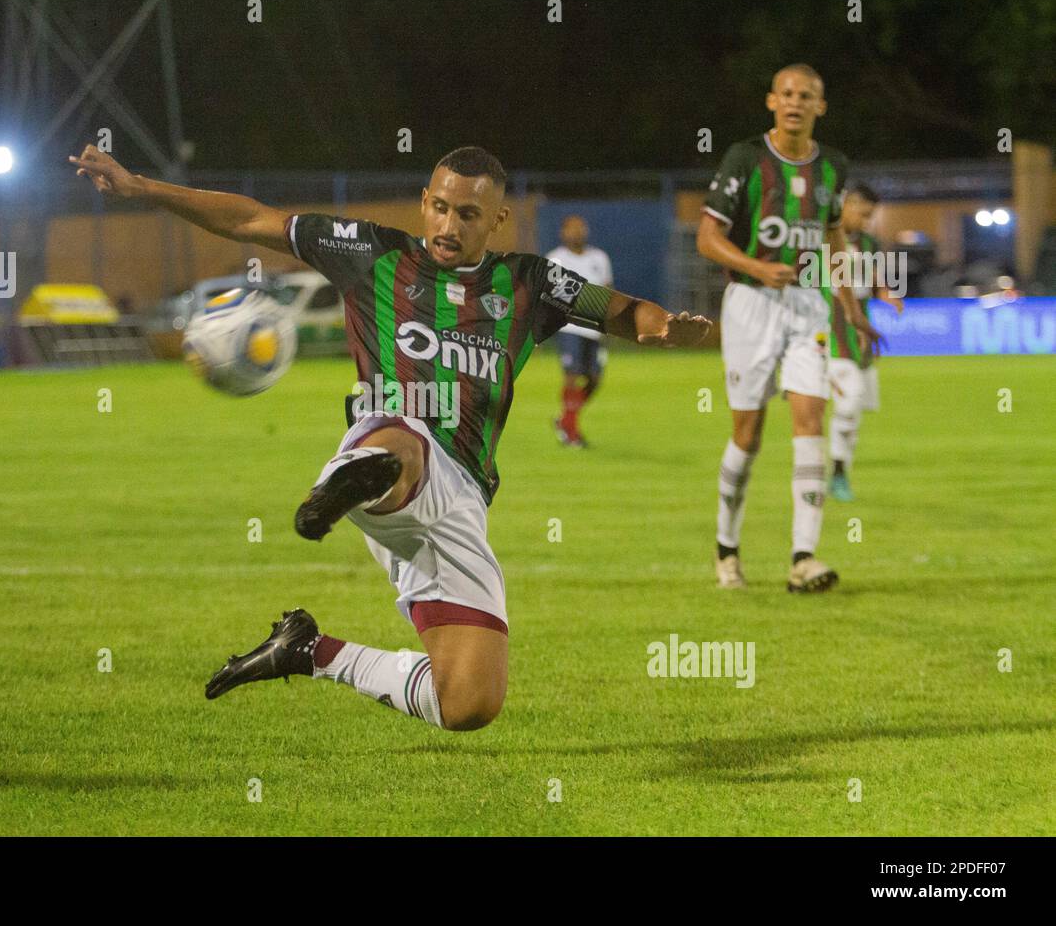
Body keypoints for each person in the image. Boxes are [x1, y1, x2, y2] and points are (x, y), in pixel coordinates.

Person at [72, 143, 710, 730]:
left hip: (462, 498)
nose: (447, 225)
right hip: (392, 440)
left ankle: (307, 649)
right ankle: (349, 479)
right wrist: (144, 188)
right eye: (438, 206)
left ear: (497, 221)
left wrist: (665, 327)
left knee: (467, 703)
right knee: (402, 442)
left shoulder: (528, 284)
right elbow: (250, 221)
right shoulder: (369, 253)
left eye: (467, 214)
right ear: (424, 202)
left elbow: (622, 310)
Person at [696, 63, 879, 593]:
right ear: (772, 101)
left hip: (807, 306)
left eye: (808, 96)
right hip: (752, 303)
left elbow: (832, 241)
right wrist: (756, 267)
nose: (796, 102)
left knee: (809, 422)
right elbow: (708, 238)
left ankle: (804, 557)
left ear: (821, 107)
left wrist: (850, 306)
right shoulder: (745, 158)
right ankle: (727, 549)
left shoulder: (834, 168)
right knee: (747, 435)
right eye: (788, 94)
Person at [826, 183, 902, 501]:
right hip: (830, 332)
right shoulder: (819, 239)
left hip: (861, 332)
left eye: (871, 216)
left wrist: (885, 292)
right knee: (851, 398)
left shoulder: (867, 242)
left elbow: (871, 279)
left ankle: (838, 472)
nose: (866, 221)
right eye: (863, 214)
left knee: (857, 408)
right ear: (845, 204)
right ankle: (833, 473)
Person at [547, 215, 614, 447]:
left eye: (580, 228)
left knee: (595, 379)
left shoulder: (600, 258)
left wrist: (607, 324)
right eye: (572, 229)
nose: (577, 232)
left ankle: (566, 418)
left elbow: (607, 292)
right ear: (563, 232)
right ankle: (571, 433)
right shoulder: (555, 259)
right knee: (572, 377)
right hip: (570, 327)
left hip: (593, 329)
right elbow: (550, 295)